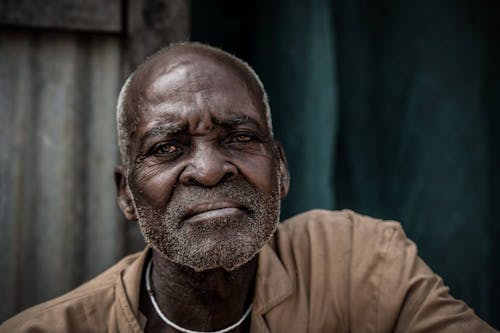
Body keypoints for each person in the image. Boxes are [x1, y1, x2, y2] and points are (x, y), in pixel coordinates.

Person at [1, 42, 497, 333]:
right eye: (168, 148)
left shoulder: (361, 263)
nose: (211, 170)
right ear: (126, 193)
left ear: (280, 169)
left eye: (239, 138)